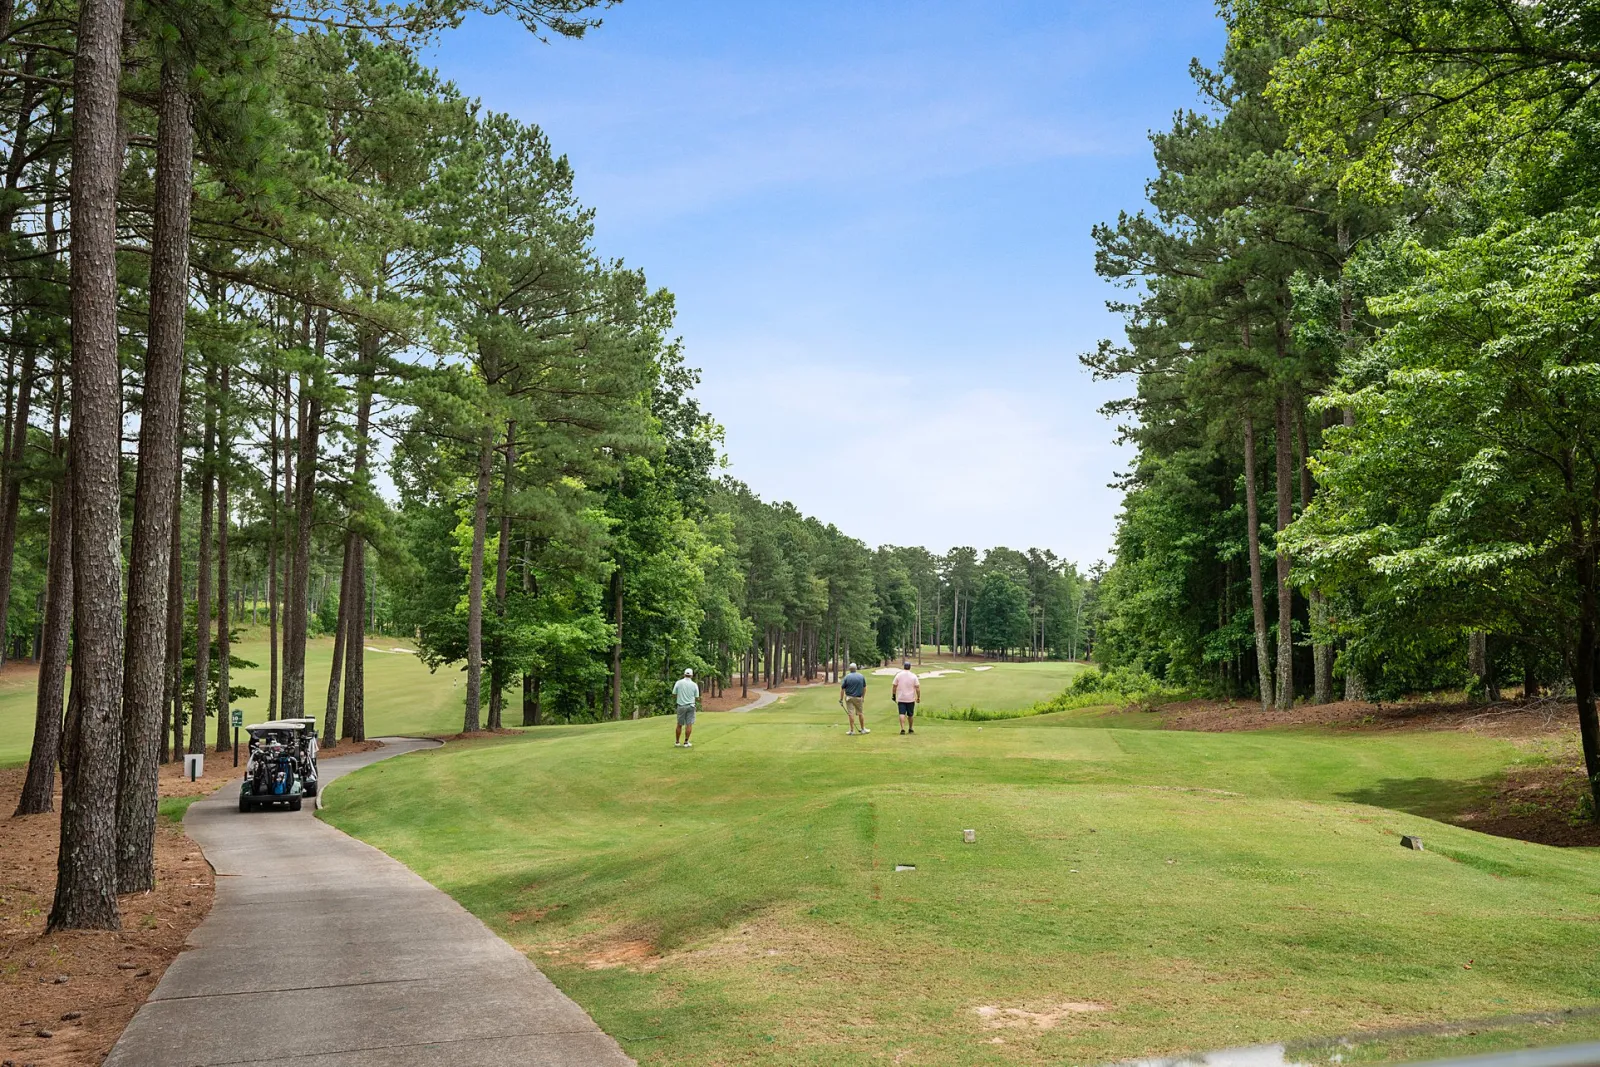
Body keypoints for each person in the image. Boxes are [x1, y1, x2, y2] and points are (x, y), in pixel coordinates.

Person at [839, 662, 870, 735]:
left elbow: (842, 689)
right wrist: (863, 697)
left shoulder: (847, 677)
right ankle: (863, 729)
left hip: (849, 698)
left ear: (849, 669)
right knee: (860, 713)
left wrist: (840, 699)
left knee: (851, 714)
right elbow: (864, 688)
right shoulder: (861, 676)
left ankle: (852, 730)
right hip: (858, 698)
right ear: (856, 669)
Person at [672, 668, 700, 748]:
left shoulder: (678, 682)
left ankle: (677, 742)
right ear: (691, 675)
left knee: (679, 724)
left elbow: (674, 694)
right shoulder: (694, 684)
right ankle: (686, 742)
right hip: (691, 706)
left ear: (684, 674)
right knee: (689, 724)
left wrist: (680, 696)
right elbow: (697, 697)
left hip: (681, 706)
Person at [891, 660, 920, 734]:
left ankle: (902, 728)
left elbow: (894, 686)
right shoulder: (913, 676)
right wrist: (918, 697)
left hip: (901, 698)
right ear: (910, 667)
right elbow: (917, 687)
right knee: (910, 714)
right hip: (910, 698)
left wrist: (894, 695)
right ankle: (910, 728)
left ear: (904, 667)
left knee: (902, 713)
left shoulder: (899, 675)